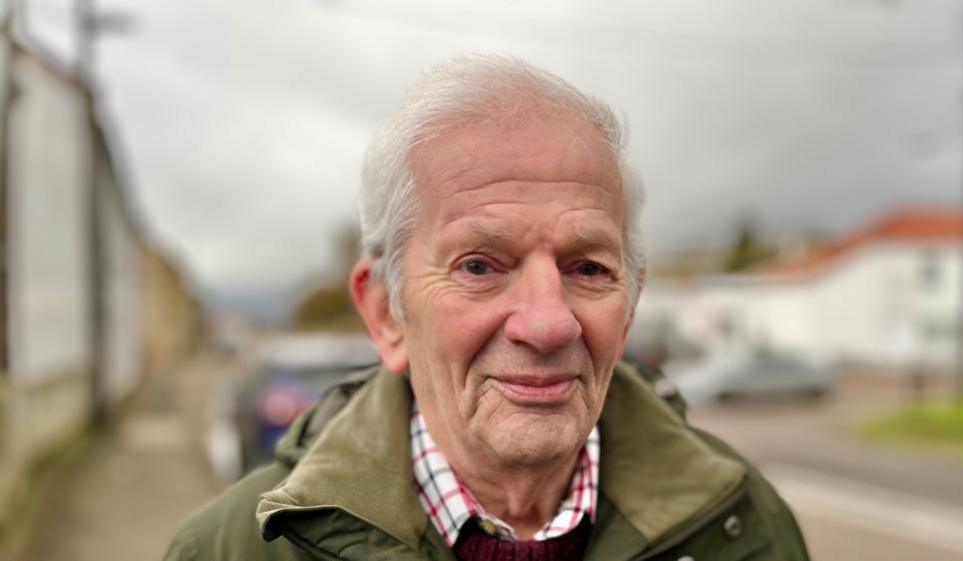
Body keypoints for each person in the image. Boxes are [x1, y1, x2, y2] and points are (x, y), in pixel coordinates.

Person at [164, 54, 810, 561]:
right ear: (386, 313)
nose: (548, 321)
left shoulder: (743, 524)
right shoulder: (230, 550)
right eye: (478, 266)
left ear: (631, 305)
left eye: (588, 268)